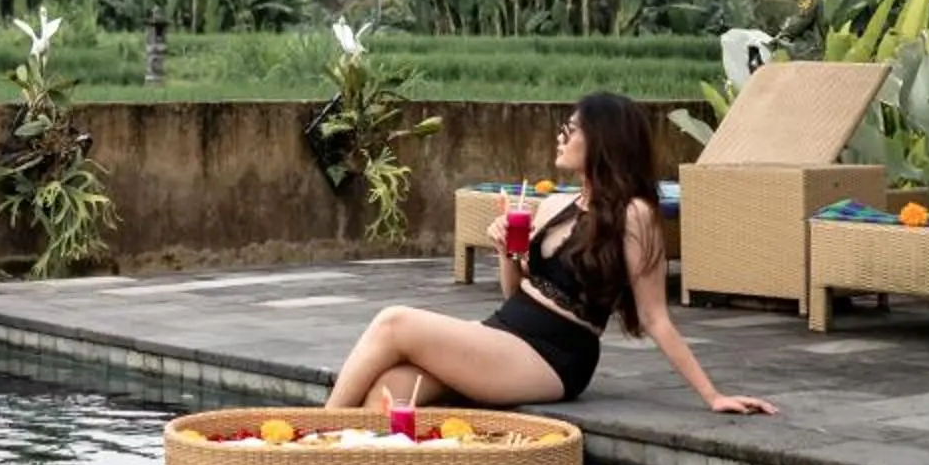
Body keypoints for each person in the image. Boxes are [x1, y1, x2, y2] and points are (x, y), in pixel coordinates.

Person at [325, 91, 777, 416]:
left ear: (602, 140)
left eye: (570, 129)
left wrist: (712, 395)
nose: (560, 137)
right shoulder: (553, 204)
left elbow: (656, 317)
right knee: (387, 391)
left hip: (553, 355)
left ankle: (313, 438)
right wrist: (507, 249)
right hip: (504, 334)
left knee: (394, 322)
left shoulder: (633, 215)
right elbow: (514, 293)